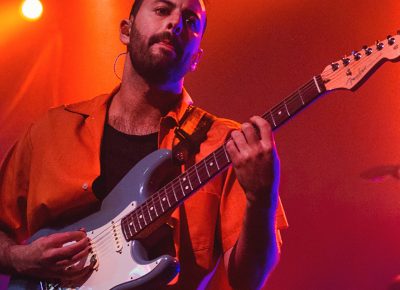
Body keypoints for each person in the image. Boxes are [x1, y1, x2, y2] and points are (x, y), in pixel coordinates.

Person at [0, 0, 288, 289]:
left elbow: (248, 279)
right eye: (163, 10)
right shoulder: (50, 130)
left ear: (196, 58)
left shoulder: (226, 146)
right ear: (126, 31)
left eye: (190, 21)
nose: (175, 23)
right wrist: (18, 257)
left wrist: (260, 196)